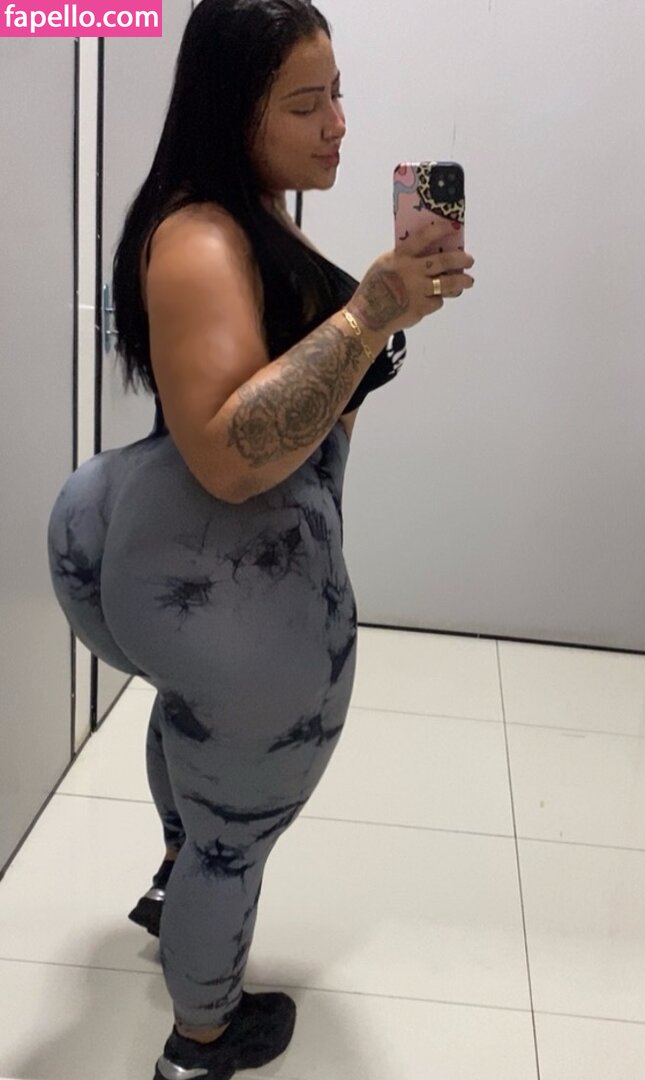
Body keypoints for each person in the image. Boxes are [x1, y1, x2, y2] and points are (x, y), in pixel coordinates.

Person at [47, 1, 475, 1077]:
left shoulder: (245, 214)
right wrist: (368, 315)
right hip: (224, 571)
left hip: (171, 554)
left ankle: (175, 881)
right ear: (233, 110)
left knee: (188, 722)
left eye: (338, 94)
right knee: (237, 836)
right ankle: (201, 1040)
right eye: (305, 103)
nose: (338, 124)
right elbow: (231, 457)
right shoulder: (200, 239)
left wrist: (378, 309)